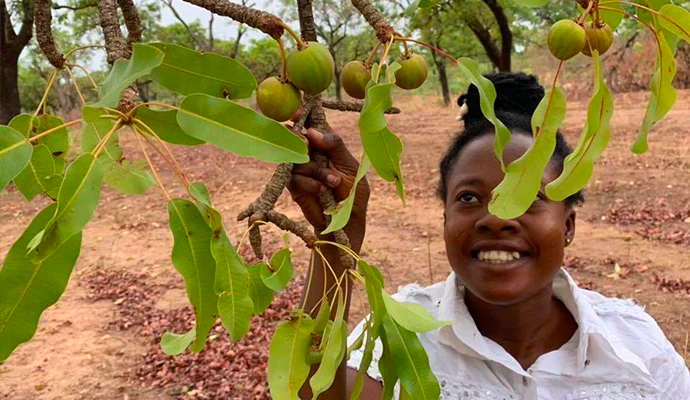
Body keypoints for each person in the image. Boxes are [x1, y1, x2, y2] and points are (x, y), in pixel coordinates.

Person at [287, 73, 690, 399]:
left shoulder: (635, 344)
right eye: (469, 197)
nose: (497, 218)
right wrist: (333, 240)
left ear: (568, 225)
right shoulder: (402, 334)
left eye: (527, 197)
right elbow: (316, 388)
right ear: (445, 218)